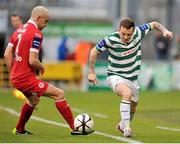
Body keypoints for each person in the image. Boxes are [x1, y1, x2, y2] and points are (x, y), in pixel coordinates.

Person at [4, 6, 93, 135]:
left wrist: (12, 73)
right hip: (25, 78)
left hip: (16, 77)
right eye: (45, 21)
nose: (45, 25)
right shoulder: (36, 33)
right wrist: (41, 66)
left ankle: (19, 129)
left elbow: (7, 54)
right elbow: (33, 60)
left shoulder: (19, 30)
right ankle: (75, 128)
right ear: (38, 18)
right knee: (59, 94)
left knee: (33, 100)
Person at [88, 18, 173, 137]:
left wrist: (165, 31)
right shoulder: (111, 39)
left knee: (133, 107)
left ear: (133, 31)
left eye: (129, 34)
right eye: (123, 34)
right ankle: (127, 128)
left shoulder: (138, 32)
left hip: (132, 79)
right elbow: (93, 51)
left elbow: (154, 24)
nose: (126, 37)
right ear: (119, 30)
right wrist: (91, 72)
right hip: (115, 76)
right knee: (126, 94)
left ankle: (122, 125)